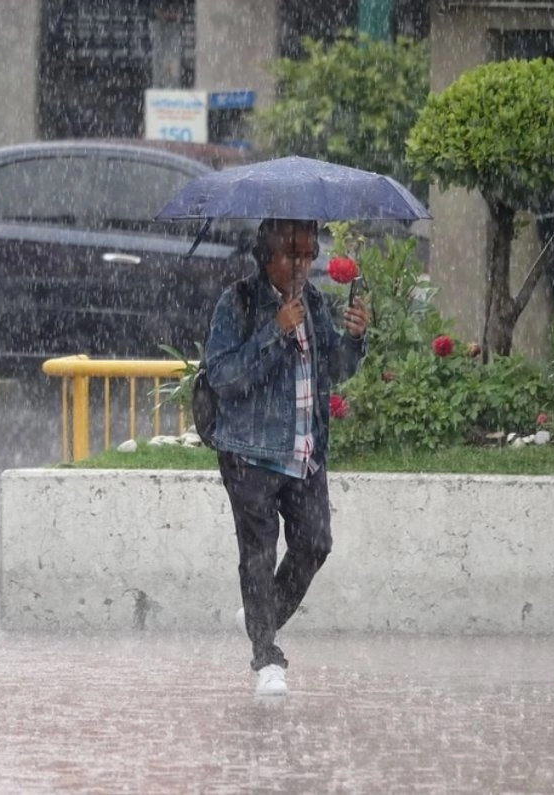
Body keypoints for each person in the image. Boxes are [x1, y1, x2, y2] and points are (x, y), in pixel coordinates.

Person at [203, 217, 370, 696]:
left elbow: (335, 368)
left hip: (305, 453)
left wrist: (354, 338)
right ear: (266, 256)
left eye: (309, 253)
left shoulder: (312, 302)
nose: (302, 264)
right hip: (250, 455)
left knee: (315, 544)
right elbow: (223, 378)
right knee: (258, 556)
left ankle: (262, 616)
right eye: (292, 254)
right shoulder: (238, 302)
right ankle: (266, 657)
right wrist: (275, 331)